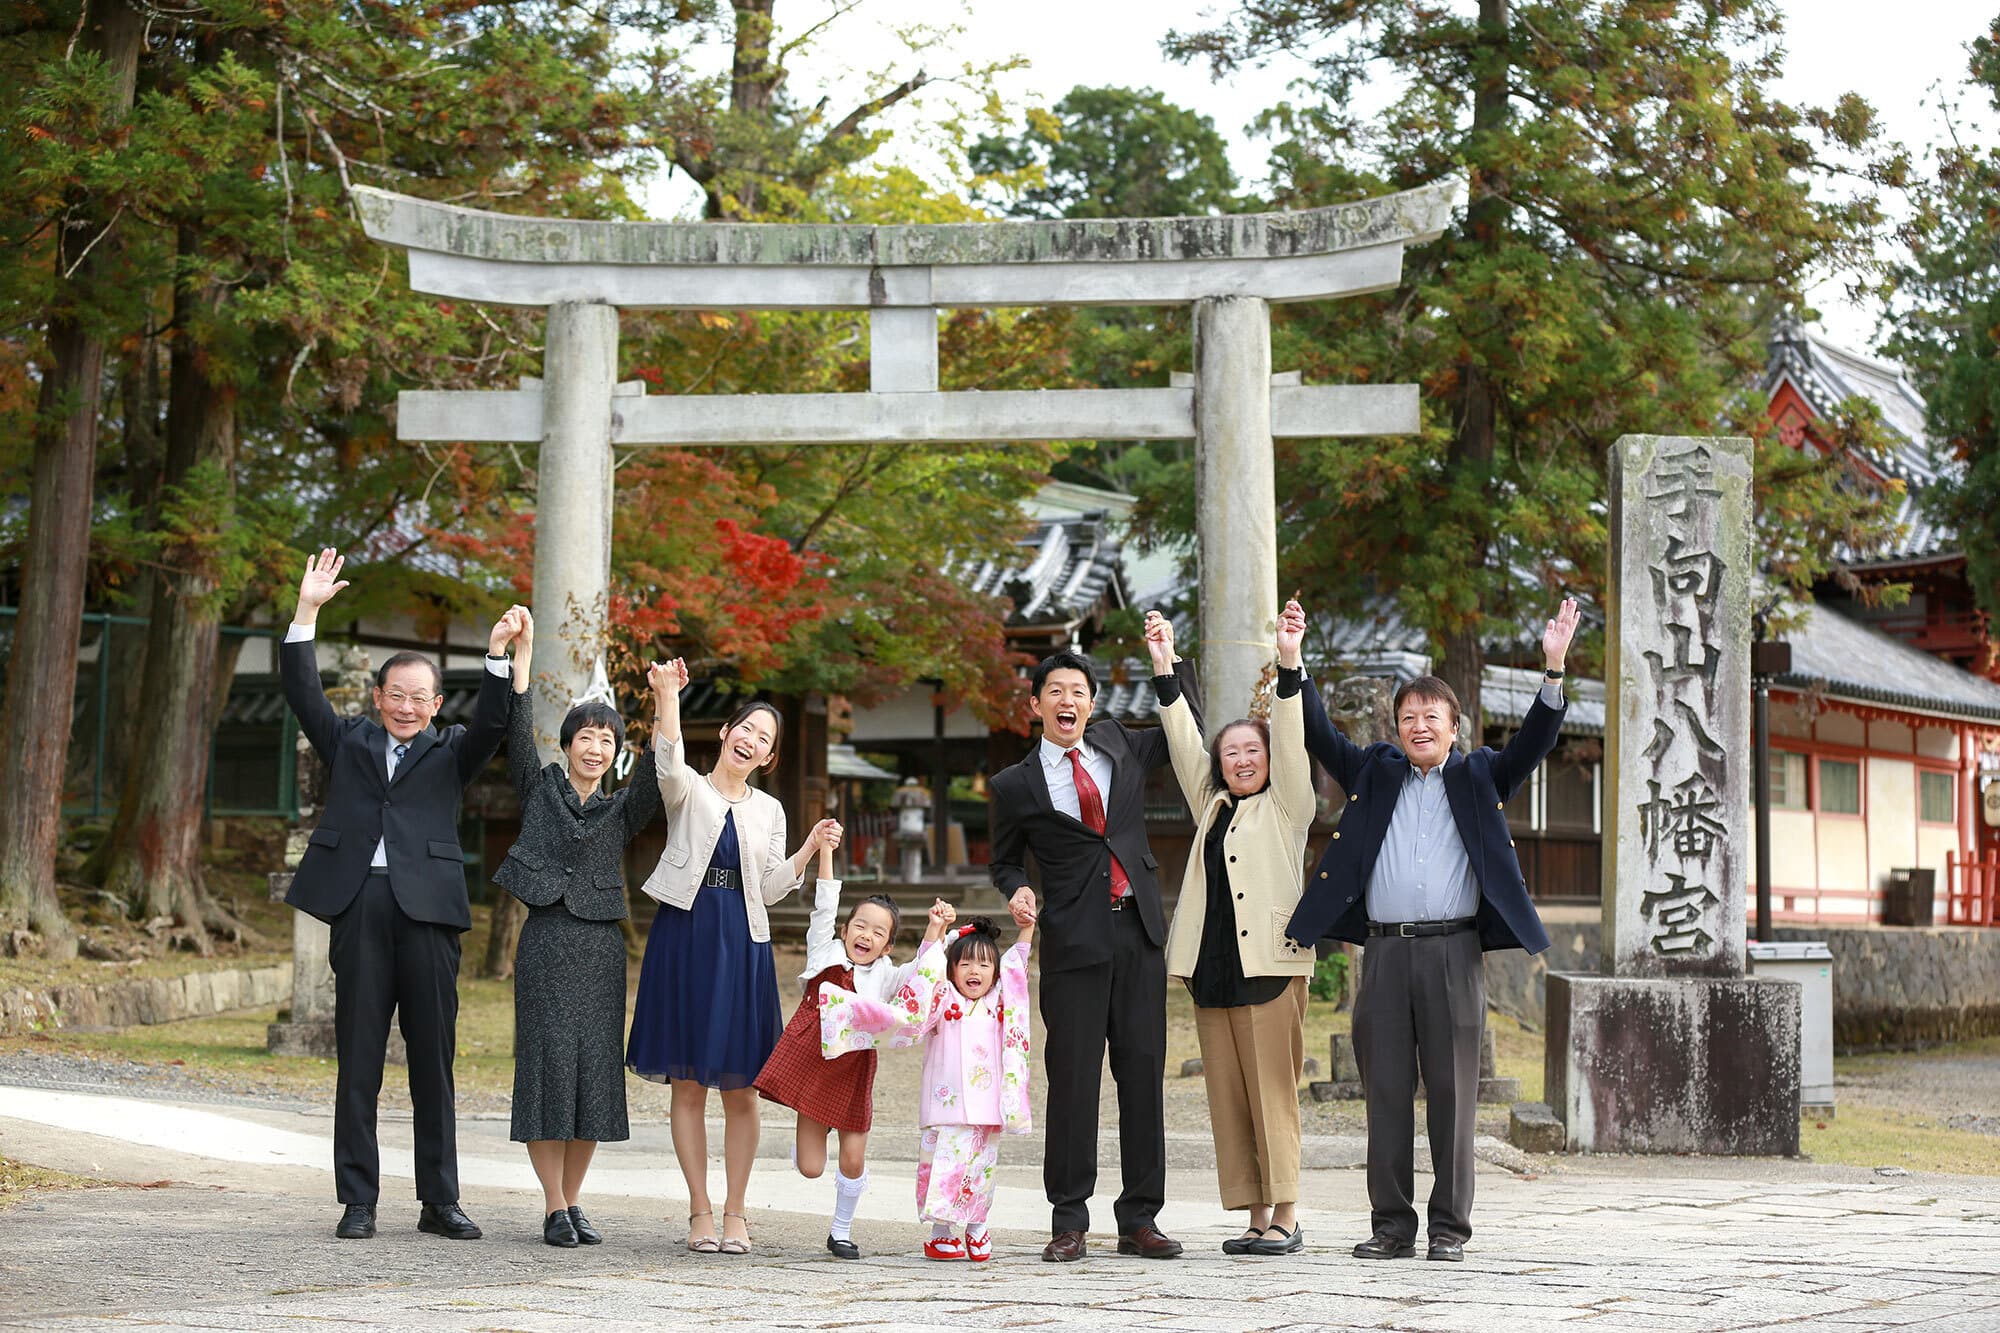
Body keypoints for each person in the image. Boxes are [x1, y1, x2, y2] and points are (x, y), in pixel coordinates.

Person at [1287, 597, 1582, 1264]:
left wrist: (1553, 668)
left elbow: (1535, 741)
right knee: (1386, 1095)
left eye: (1431, 717)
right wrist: (1293, 661)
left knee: (1453, 1095)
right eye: (1408, 718)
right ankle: (1391, 1225)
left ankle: (1449, 1227)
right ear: (1396, 729)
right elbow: (1320, 735)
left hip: (1454, 952)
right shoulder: (1375, 771)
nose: (1419, 726)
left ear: (1454, 727)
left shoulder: (1480, 774)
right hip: (1384, 953)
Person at [279, 548, 516, 1242]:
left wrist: (497, 654)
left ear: (436, 704)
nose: (407, 707)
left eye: (420, 698)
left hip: (430, 914)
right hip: (360, 905)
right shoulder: (347, 740)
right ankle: (358, 1199)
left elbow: (495, 723)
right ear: (378, 697)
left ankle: (440, 1199)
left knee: (432, 1062)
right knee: (358, 1059)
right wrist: (307, 611)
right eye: (397, 695)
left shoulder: (451, 753)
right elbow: (303, 693)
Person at [987, 624, 1200, 1262]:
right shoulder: (1014, 784)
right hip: (1073, 942)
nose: (1068, 700)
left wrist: (1165, 662)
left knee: (1143, 1076)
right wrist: (1017, 889)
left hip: (1139, 931)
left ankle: (1140, 1218)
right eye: (1055, 691)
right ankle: (1069, 1219)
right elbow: (1003, 861)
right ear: (1036, 704)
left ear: (1092, 702)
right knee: (1074, 1082)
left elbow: (1185, 728)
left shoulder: (1118, 743)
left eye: (1078, 691)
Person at [627, 658, 839, 1256]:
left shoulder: (769, 809)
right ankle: (699, 1210)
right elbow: (667, 757)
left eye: (764, 738)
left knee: (742, 1087)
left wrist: (807, 849)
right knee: (689, 1083)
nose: (751, 740)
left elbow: (769, 888)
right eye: (745, 728)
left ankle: (736, 1213)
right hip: (685, 936)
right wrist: (668, 695)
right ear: (725, 733)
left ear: (769, 756)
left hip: (743, 943)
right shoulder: (687, 788)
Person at [493, 609, 663, 1247]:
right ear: (567, 744)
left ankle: (574, 1201)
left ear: (616, 754)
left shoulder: (623, 810)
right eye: (586, 737)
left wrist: (664, 702)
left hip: (599, 951)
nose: (596, 748)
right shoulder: (538, 788)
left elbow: (658, 773)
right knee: (546, 1071)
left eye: (607, 742)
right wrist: (523, 655)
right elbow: (516, 732)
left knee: (592, 1074)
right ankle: (552, 1206)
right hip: (545, 942)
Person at [1153, 600, 1317, 1256]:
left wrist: (1288, 662)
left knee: (1273, 1094)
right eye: (1231, 752)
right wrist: (1165, 669)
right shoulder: (1213, 805)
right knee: (1230, 1097)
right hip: (1212, 967)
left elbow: (1292, 736)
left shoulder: (1288, 804)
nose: (1242, 759)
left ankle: (1288, 1214)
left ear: (1270, 758)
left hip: (1270, 966)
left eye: (1253, 750)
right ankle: (1254, 1214)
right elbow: (1183, 745)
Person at [754, 882, 956, 1259]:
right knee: (811, 1167)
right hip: (816, 1065)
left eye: (879, 932)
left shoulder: (885, 975)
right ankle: (807, 1141)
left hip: (855, 1066)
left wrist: (936, 928)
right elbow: (823, 909)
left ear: (888, 947)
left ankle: (841, 1231)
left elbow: (921, 972)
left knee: (853, 1158)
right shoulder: (824, 951)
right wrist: (825, 855)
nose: (866, 935)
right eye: (860, 926)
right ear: (845, 931)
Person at [819, 913, 1035, 1263]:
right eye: (965, 964)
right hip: (944, 1104)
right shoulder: (942, 998)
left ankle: (977, 1224)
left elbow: (1017, 966)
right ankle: (941, 1232)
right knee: (939, 1170)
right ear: (951, 969)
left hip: (986, 1105)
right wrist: (935, 929)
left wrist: (1027, 928)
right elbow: (926, 970)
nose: (974, 971)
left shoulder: (999, 1001)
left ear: (996, 973)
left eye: (984, 965)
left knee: (980, 1168)